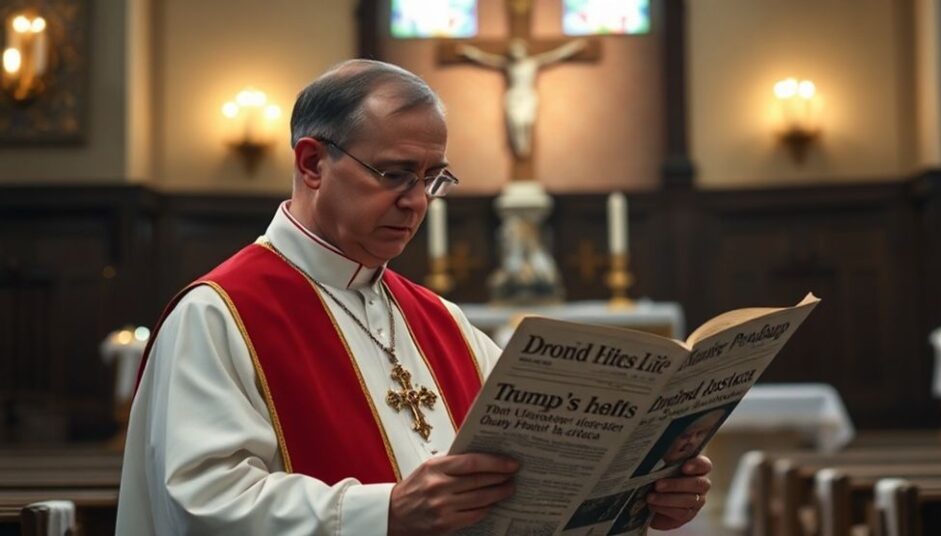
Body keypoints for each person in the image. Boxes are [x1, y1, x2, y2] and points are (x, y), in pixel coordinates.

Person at [117, 59, 711, 535]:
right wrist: (386, 513)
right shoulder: (219, 315)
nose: (417, 201)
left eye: (433, 178)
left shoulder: (442, 321)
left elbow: (540, 473)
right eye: (395, 174)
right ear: (312, 162)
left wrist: (642, 493)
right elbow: (200, 505)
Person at [457, 37, 585, 159]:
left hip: (527, 95)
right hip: (513, 96)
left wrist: (572, 48)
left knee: (527, 121)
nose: (515, 52)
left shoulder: (532, 63)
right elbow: (487, 59)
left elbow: (554, 56)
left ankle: (525, 145)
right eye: (513, 50)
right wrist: (470, 52)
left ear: (524, 50)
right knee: (515, 122)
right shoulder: (508, 65)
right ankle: (519, 147)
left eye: (518, 49)